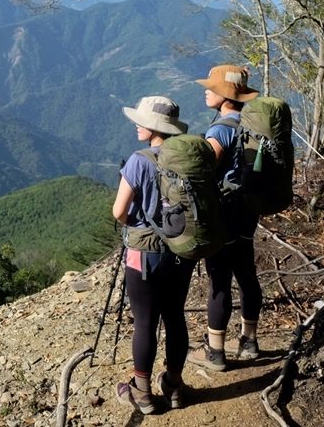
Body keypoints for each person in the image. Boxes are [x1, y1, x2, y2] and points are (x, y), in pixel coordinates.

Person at [113, 95, 197, 414]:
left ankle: (142, 392)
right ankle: (174, 387)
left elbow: (119, 212)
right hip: (182, 250)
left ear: (154, 127)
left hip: (143, 253)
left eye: (142, 121)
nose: (137, 125)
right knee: (175, 316)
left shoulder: (140, 160)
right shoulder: (188, 157)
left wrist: (137, 218)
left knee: (145, 322)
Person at [187, 65, 262, 372]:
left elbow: (205, 173)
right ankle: (248, 342)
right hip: (247, 211)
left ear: (224, 95)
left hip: (225, 214)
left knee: (219, 280)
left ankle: (215, 351)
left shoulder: (220, 129)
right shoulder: (254, 124)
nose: (206, 90)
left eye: (211, 87)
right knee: (246, 273)